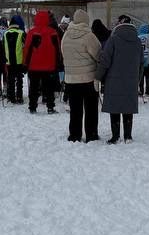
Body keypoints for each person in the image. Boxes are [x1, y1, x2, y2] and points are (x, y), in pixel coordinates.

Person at [96, 15, 142, 143]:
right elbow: (141, 63)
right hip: (131, 80)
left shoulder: (113, 39)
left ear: (119, 25)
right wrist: (138, 79)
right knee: (128, 107)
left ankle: (115, 136)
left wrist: (98, 76)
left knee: (115, 108)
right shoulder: (137, 41)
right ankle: (128, 136)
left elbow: (105, 60)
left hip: (114, 80)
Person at [61, 9, 101, 141]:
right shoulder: (89, 36)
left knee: (75, 109)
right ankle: (91, 134)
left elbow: (63, 52)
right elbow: (98, 54)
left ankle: (74, 135)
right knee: (91, 109)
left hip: (71, 79)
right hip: (88, 79)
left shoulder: (66, 35)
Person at [23, 10, 61, 114]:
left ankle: (32, 107)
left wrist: (25, 63)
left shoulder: (32, 32)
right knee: (49, 88)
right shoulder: (53, 32)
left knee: (34, 87)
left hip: (33, 66)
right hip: (49, 66)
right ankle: (50, 107)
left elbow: (27, 49)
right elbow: (57, 49)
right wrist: (58, 62)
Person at [2, 15, 27, 104]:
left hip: (9, 61)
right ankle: (19, 97)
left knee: (10, 79)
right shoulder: (21, 33)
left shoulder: (5, 34)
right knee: (19, 79)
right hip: (19, 61)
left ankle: (11, 96)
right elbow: (26, 46)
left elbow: (3, 48)